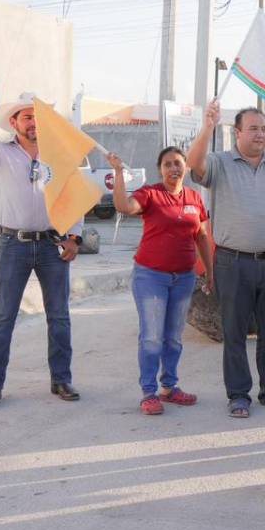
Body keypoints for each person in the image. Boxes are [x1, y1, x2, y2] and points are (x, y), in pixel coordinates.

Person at [0, 91, 83, 409]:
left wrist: (74, 237)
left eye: (38, 116)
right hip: (12, 244)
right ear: (13, 122)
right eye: (27, 117)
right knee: (3, 317)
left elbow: (74, 196)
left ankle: (61, 379)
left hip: (53, 245)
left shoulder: (59, 156)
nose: (33, 122)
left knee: (59, 316)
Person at [186, 102, 265, 418]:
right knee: (234, 332)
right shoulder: (219, 164)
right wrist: (207, 127)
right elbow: (193, 163)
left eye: (264, 129)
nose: (260, 134)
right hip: (233, 263)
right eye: (253, 129)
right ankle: (238, 394)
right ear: (237, 133)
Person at [109, 147, 213, 415]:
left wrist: (210, 272)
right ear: (160, 170)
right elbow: (123, 206)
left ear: (186, 168)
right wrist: (118, 173)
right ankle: (148, 392)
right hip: (151, 277)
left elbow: (202, 237)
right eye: (168, 164)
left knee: (174, 337)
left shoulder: (194, 198)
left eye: (178, 163)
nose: (173, 168)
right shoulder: (150, 194)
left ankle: (169, 387)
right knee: (152, 337)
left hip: (184, 278)